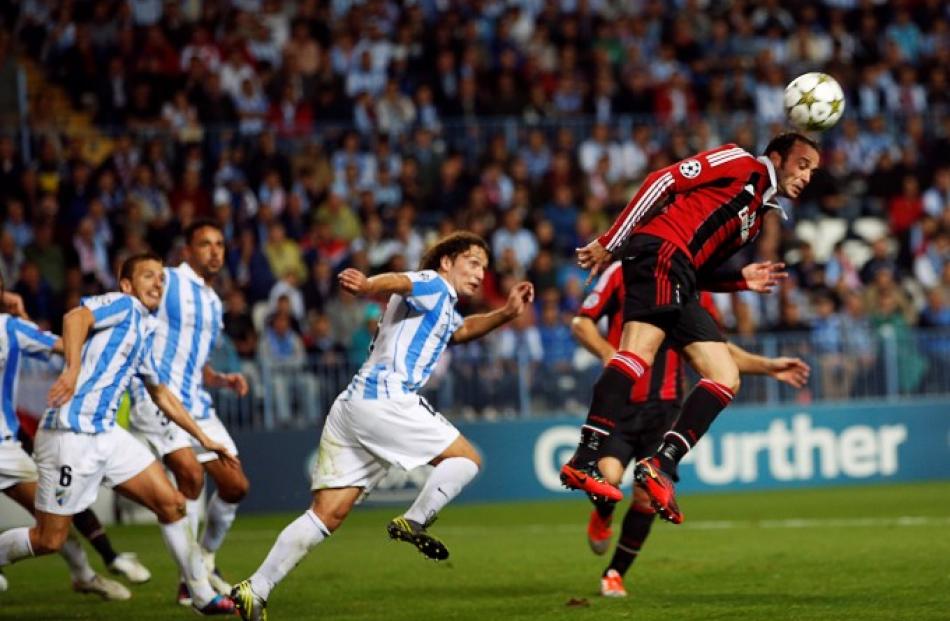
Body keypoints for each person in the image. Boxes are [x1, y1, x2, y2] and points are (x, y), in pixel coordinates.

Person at [230, 232, 535, 621]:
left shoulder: (441, 306)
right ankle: (416, 520)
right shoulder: (433, 284)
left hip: (353, 404)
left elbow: (458, 333)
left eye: (484, 267)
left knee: (326, 514)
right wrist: (368, 285)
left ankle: (255, 589)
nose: (479, 273)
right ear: (447, 262)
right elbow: (402, 280)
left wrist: (506, 314)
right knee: (467, 459)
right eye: (472, 262)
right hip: (386, 398)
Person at [563, 133, 820, 524]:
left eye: (812, 171)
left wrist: (740, 281)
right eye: (802, 164)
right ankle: (585, 458)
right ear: (777, 157)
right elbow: (661, 181)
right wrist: (610, 241)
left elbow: (699, 270)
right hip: (660, 250)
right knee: (637, 354)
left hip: (680, 271)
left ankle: (661, 464)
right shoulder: (738, 161)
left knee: (725, 375)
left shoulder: (753, 223)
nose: (806, 176)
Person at [0, 253, 237, 614]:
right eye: (147, 276)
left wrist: (201, 438)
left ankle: (201, 594)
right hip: (70, 434)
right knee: (49, 539)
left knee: (172, 504)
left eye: (161, 277)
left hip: (106, 434)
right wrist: (74, 368)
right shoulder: (122, 304)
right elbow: (75, 317)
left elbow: (161, 393)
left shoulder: (144, 330)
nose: (158, 282)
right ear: (127, 284)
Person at [572, 261, 810, 596]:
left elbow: (719, 352)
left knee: (645, 494)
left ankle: (614, 573)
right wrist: (611, 355)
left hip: (666, 411)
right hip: (622, 406)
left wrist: (767, 367)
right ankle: (603, 513)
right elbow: (582, 323)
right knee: (607, 479)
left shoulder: (692, 284)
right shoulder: (623, 271)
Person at [126, 220, 250, 604]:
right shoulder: (169, 281)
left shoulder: (214, 302)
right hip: (155, 396)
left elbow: (195, 359)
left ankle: (205, 560)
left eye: (219, 244)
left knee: (235, 486)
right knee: (191, 475)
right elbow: (136, 304)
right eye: (205, 244)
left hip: (197, 401)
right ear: (188, 251)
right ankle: (191, 579)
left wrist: (220, 378)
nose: (214, 251)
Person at [0, 278, 136, 599]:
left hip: (3, 448)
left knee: (54, 525)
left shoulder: (10, 328)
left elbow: (65, 345)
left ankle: (85, 576)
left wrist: (25, 319)